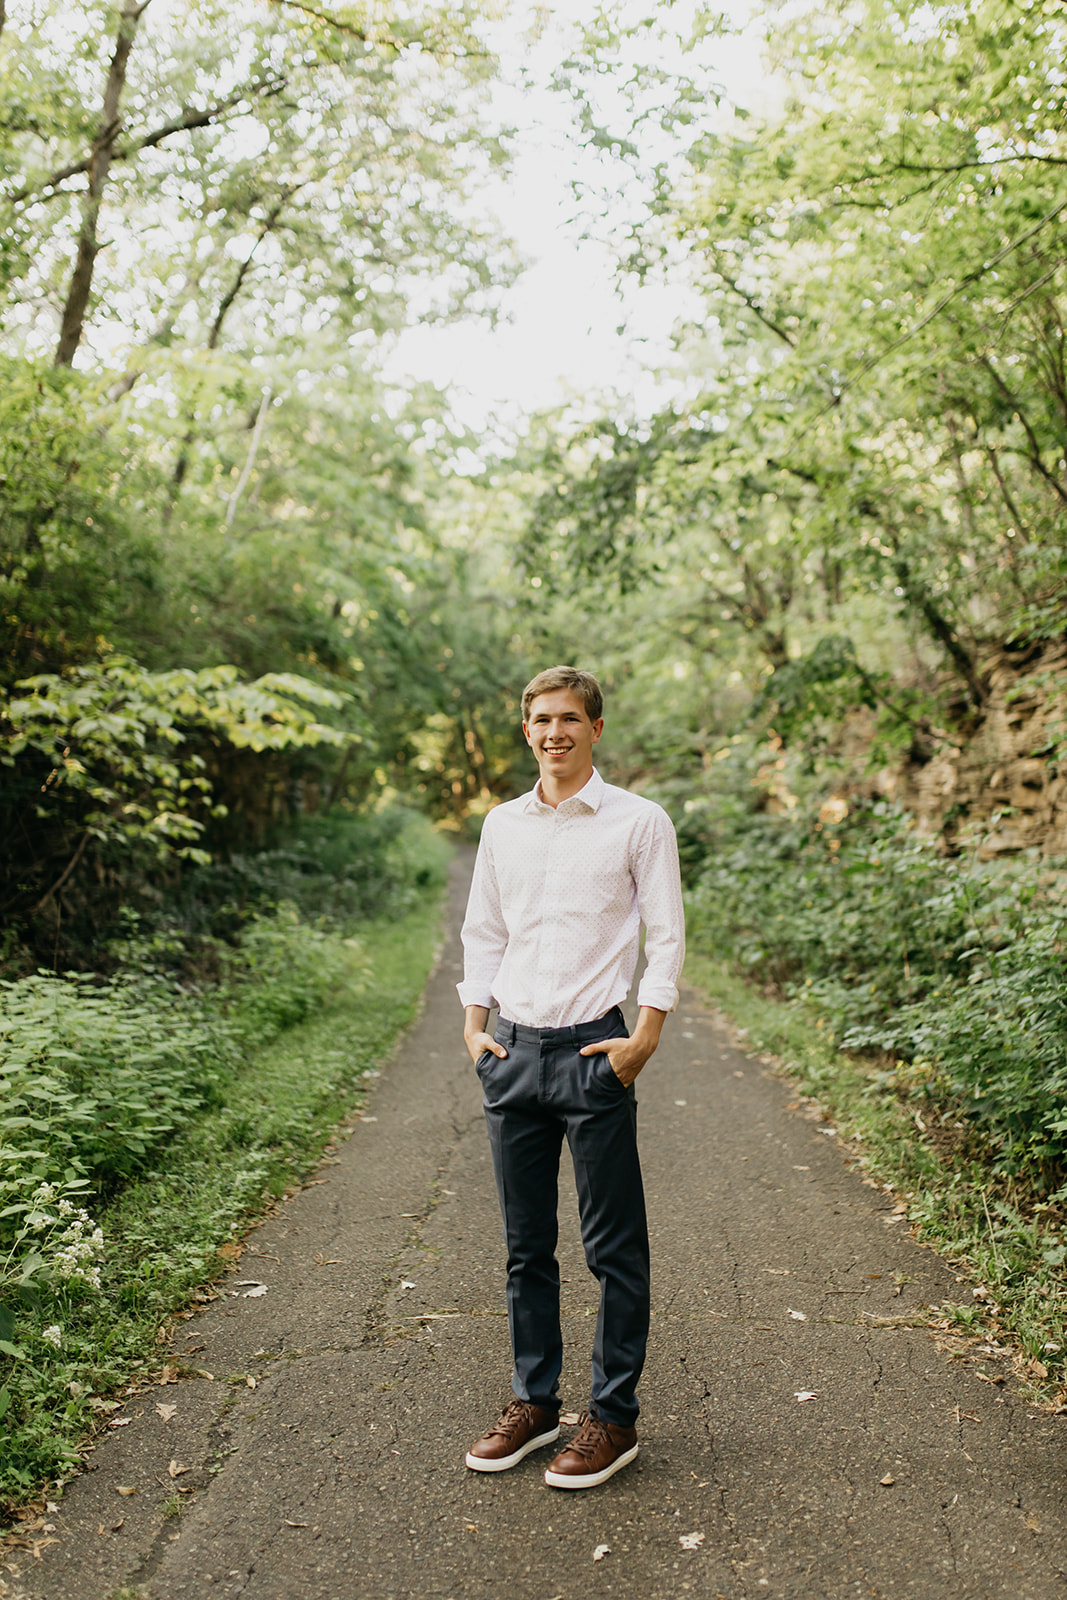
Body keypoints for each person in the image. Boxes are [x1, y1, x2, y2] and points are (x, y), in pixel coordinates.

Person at [457, 664, 685, 1490]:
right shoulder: (501, 825)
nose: (554, 731)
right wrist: (474, 1026)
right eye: (540, 719)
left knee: (612, 1248)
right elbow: (484, 930)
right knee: (526, 1250)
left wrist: (643, 1037)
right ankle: (534, 1403)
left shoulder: (638, 822)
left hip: (595, 1054)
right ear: (527, 730)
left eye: (569, 719)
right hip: (511, 1053)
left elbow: (666, 933)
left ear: (595, 729)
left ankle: (612, 1418)